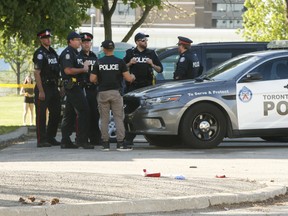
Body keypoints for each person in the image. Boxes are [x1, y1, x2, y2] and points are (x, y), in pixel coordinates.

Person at [90, 40, 135, 151]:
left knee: (104, 118)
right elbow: (128, 78)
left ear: (104, 49)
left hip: (102, 93)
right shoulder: (120, 62)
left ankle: (105, 144)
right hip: (116, 93)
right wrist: (133, 76)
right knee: (118, 118)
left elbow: (92, 79)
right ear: (113, 49)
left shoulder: (99, 62)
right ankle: (120, 144)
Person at [123, 32, 163, 146]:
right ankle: (129, 138)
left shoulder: (151, 53)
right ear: (137, 42)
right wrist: (130, 63)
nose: (145, 42)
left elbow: (160, 69)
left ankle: (152, 137)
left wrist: (152, 65)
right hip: (133, 87)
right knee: (130, 112)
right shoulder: (130, 53)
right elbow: (122, 67)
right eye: (143, 40)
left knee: (148, 112)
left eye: (146, 40)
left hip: (147, 87)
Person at [59, 31, 94, 149]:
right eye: (77, 39)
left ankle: (65, 140)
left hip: (76, 86)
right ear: (70, 41)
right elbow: (67, 71)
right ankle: (82, 140)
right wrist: (83, 69)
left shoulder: (75, 53)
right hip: (72, 86)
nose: (80, 41)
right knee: (84, 111)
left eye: (80, 40)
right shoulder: (68, 53)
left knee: (69, 114)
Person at [33, 29, 61, 147]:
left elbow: (57, 70)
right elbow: (36, 73)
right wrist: (41, 90)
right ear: (41, 40)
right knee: (41, 114)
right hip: (43, 86)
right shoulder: (39, 53)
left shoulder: (53, 52)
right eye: (45, 38)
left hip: (53, 86)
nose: (48, 40)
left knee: (56, 113)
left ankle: (50, 137)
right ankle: (41, 140)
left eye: (49, 38)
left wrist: (60, 86)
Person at [79, 32, 101, 146]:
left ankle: (95, 138)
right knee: (85, 114)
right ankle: (83, 138)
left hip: (93, 88)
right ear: (81, 43)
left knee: (95, 114)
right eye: (84, 42)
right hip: (83, 87)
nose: (86, 44)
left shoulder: (94, 56)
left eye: (88, 42)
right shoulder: (78, 56)